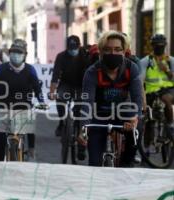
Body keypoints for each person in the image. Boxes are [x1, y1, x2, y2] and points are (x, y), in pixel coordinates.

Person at [81, 30, 143, 167]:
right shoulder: (92, 72)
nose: (113, 53)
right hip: (99, 115)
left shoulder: (131, 68)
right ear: (101, 52)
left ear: (124, 52)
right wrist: (83, 127)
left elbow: (137, 97)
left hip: (123, 112)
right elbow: (87, 102)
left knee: (137, 130)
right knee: (94, 162)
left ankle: (127, 163)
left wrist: (135, 117)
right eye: (108, 50)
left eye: (117, 49)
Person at [0, 39, 46, 161]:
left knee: (30, 126)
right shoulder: (1, 69)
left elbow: (37, 89)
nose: (16, 55)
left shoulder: (30, 70)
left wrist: (42, 102)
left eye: (19, 53)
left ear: (24, 55)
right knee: (1, 138)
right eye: (13, 52)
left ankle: (31, 151)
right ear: (9, 54)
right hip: (3, 107)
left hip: (24, 106)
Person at [49, 35, 89, 136]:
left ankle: (78, 123)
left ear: (79, 46)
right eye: (70, 48)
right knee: (60, 98)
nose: (72, 51)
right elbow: (55, 75)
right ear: (66, 47)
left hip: (81, 85)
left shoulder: (85, 55)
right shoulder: (61, 56)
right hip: (65, 84)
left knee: (80, 105)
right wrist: (52, 92)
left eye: (75, 48)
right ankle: (62, 122)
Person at [139, 34, 174, 135]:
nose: (159, 48)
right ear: (152, 46)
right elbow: (140, 80)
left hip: (168, 90)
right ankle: (148, 140)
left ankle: (171, 124)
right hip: (152, 92)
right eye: (156, 45)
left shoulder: (170, 61)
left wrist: (167, 71)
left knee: (167, 99)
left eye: (161, 46)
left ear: (165, 46)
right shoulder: (146, 61)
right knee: (148, 116)